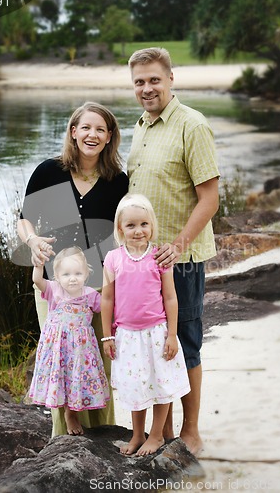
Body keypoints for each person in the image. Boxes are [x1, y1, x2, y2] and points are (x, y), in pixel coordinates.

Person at [127, 47, 220, 456]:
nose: (147, 88)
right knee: (151, 345)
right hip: (141, 264)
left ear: (170, 78)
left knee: (185, 342)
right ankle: (157, 431)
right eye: (139, 82)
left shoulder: (192, 125)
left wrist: (178, 245)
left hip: (179, 263)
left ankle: (192, 431)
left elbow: (210, 199)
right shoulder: (140, 126)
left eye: (154, 80)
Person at [16, 102, 129, 436]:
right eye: (86, 127)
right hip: (53, 286)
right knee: (59, 361)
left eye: (100, 129)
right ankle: (61, 439)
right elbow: (24, 220)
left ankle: (102, 437)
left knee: (98, 364)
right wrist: (33, 240)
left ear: (109, 137)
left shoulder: (117, 181)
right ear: (73, 131)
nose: (92, 134)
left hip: (98, 289)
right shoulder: (49, 171)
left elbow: (122, 233)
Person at [101, 194, 190, 456]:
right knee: (134, 384)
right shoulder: (113, 258)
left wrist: (172, 335)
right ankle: (137, 434)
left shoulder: (159, 257)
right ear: (120, 229)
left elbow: (170, 297)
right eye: (130, 225)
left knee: (161, 383)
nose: (138, 231)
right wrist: (107, 336)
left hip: (157, 333)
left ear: (152, 225)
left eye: (143, 224)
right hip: (127, 335)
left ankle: (157, 434)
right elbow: (107, 299)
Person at [29, 247, 110, 436]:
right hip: (58, 349)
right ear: (56, 276)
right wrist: (38, 266)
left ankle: (74, 413)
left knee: (76, 381)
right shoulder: (54, 290)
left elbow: (107, 308)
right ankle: (67, 414)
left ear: (86, 274)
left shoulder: (90, 294)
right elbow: (36, 280)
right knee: (61, 380)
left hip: (80, 351)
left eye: (77, 273)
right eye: (66, 274)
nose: (72, 278)